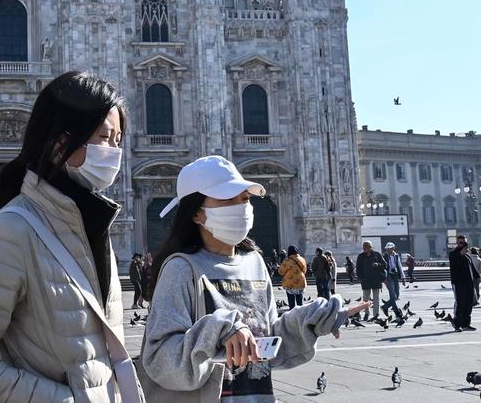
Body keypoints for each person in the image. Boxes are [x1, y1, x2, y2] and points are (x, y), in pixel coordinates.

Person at [0, 71, 133, 402]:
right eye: (104, 138)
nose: (114, 153)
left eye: (118, 140)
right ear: (60, 144)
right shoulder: (12, 231)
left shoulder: (92, 227)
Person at [138, 155, 363, 400]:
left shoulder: (253, 262)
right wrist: (220, 329)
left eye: (244, 198)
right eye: (227, 199)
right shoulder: (181, 269)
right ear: (196, 214)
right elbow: (159, 359)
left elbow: (264, 346)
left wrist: (307, 321)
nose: (240, 206)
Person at [448, 235, 479, 331]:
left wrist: (478, 276)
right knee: (460, 303)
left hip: (469, 283)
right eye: (461, 243)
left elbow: (472, 268)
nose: (463, 245)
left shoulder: (467, 256)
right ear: (457, 243)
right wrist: (461, 252)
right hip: (458, 283)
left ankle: (466, 324)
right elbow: (455, 261)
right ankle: (457, 324)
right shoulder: (453, 254)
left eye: (465, 243)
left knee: (468, 303)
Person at [355, 241, 387, 320]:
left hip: (376, 280)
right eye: (365, 248)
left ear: (371, 247)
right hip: (365, 280)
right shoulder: (361, 256)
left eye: (368, 247)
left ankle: (375, 314)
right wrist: (360, 278)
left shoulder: (377, 254)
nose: (367, 249)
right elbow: (358, 268)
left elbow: (385, 265)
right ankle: (367, 313)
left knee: (376, 299)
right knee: (365, 298)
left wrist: (377, 264)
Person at [382, 242, 404, 320]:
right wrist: (384, 279)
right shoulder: (384, 256)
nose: (388, 250)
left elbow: (399, 266)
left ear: (393, 248)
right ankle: (397, 313)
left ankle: (385, 306)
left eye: (390, 249)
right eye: (387, 249)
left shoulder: (396, 256)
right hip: (389, 277)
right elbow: (382, 268)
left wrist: (403, 277)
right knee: (393, 296)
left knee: (396, 295)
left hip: (396, 276)